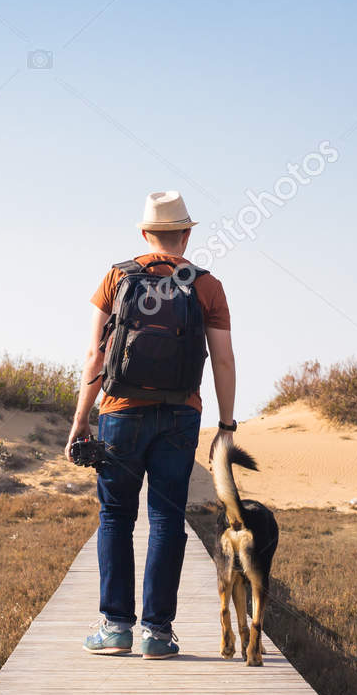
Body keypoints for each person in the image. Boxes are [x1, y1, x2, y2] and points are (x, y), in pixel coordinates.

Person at [67, 191, 237, 659]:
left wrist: (82, 417)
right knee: (165, 518)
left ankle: (116, 627)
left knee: (116, 517)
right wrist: (226, 423)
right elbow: (223, 360)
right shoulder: (207, 285)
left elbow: (95, 356)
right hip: (181, 413)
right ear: (186, 234)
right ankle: (157, 634)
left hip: (119, 411)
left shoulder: (117, 277)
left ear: (145, 233)